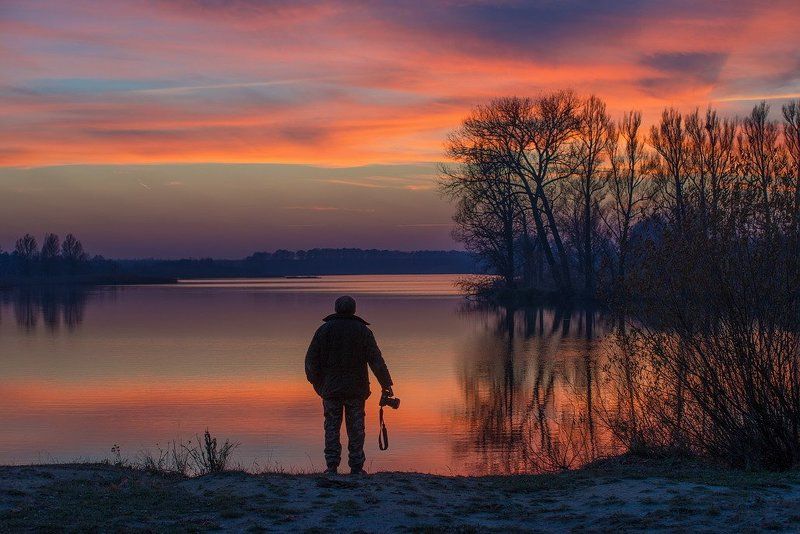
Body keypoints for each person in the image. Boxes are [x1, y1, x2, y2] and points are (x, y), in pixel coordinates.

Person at [304, 295, 394, 475]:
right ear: (353, 309)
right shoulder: (362, 331)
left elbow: (310, 362)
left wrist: (318, 384)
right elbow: (376, 360)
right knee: (356, 429)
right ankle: (356, 467)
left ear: (336, 309)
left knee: (331, 427)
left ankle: (331, 466)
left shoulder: (323, 330)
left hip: (331, 390)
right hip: (356, 390)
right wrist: (386, 384)